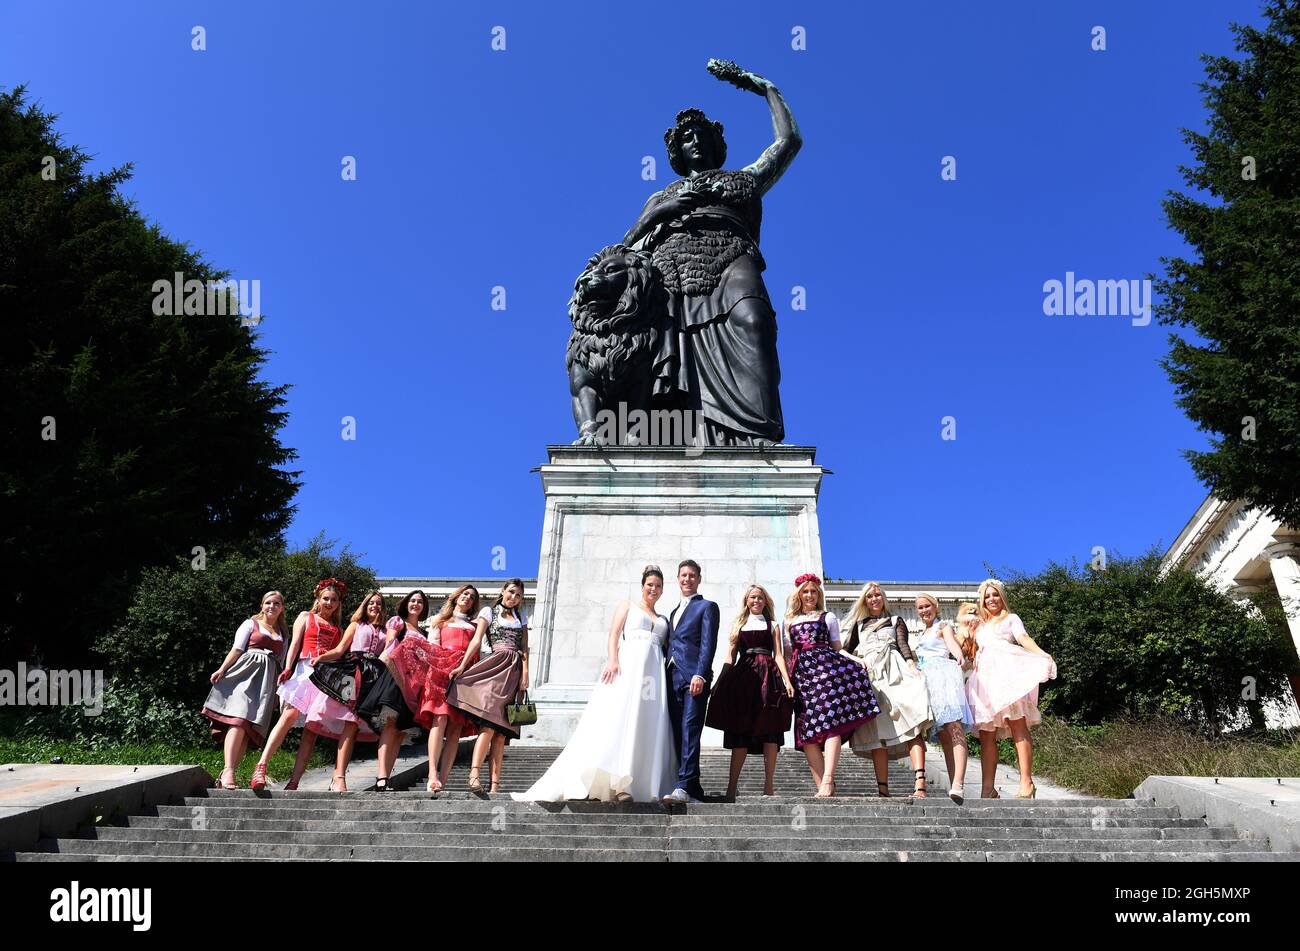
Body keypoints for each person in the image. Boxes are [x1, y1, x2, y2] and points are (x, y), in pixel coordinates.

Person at [622, 61, 801, 446]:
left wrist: (764, 87)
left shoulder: (745, 179)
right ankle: (676, 435)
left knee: (754, 322)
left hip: (731, 256)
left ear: (716, 143)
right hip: (671, 272)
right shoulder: (661, 195)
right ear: (678, 150)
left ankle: (757, 435)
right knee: (669, 352)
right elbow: (627, 250)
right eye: (687, 138)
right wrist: (660, 212)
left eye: (702, 134)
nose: (696, 141)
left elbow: (789, 143)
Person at [513, 566, 677, 803]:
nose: (654, 588)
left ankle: (643, 782)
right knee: (619, 720)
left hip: (653, 674)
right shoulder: (628, 606)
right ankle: (618, 783)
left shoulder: (662, 619)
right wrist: (612, 660)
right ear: (642, 586)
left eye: (658, 586)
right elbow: (613, 634)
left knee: (646, 722)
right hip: (628, 666)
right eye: (650, 584)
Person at [250, 578, 358, 791]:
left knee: (312, 729)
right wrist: (288, 667)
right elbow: (295, 644)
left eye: (333, 600)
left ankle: (294, 782)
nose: (329, 603)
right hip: (305, 669)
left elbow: (338, 655)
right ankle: (261, 766)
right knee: (288, 716)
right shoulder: (305, 617)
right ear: (318, 599)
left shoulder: (339, 628)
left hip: (326, 676)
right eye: (325, 598)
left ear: (338, 603)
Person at [784, 573, 880, 798]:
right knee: (806, 732)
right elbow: (788, 654)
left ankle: (828, 780)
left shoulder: (827, 617)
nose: (810, 595)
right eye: (806, 591)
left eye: (814, 591)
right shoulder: (788, 621)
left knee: (830, 724)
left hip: (826, 671)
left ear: (819, 595)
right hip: (802, 676)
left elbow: (837, 648)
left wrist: (856, 660)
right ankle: (824, 787)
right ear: (799, 594)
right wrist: (788, 680)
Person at [965, 579, 1057, 799]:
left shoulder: (1011, 618)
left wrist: (1042, 654)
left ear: (1002, 596)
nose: (991, 599)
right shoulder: (979, 625)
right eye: (987, 597)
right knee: (987, 734)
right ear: (982, 601)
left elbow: (1023, 638)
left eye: (995, 595)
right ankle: (988, 788)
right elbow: (970, 653)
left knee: (1017, 724)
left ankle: (1027, 782)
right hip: (984, 679)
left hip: (1007, 673)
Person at [842, 582, 934, 798]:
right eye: (870, 596)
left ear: (883, 597)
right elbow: (844, 651)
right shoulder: (858, 625)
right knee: (877, 732)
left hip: (895, 671)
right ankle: (883, 789)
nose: (874, 599)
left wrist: (913, 668)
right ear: (865, 600)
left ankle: (920, 784)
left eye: (877, 595)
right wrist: (858, 661)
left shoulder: (895, 620)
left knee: (911, 722)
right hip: (871, 678)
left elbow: (903, 646)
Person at [704, 584, 794, 797]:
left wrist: (787, 681)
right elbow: (730, 657)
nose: (756, 601)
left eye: (760, 598)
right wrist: (718, 683)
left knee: (771, 730)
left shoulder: (773, 625)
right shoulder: (739, 624)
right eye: (753, 597)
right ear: (747, 600)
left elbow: (779, 655)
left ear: (766, 601)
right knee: (739, 731)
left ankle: (769, 786)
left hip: (768, 677)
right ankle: (731, 788)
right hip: (743, 678)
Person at [447, 579, 529, 794]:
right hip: (496, 665)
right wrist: (463, 666)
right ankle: (474, 774)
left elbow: (524, 647)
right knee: (489, 725)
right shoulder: (488, 612)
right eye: (511, 592)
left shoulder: (521, 617)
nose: (514, 597)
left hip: (515, 671)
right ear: (503, 591)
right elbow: (476, 641)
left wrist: (526, 675)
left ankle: (494, 785)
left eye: (518, 595)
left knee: (502, 732)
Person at [201, 591, 288, 788]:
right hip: (245, 673)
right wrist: (222, 669)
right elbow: (237, 648)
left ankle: (226, 774)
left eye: (276, 603)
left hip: (267, 680)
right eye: (268, 603)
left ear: (282, 608)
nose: (271, 606)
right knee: (238, 719)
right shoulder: (250, 624)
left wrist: (279, 689)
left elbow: (282, 663)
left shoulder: (283, 633)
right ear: (262, 605)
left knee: (248, 727)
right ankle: (229, 770)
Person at [310, 590, 389, 792]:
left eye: (379, 603)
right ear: (365, 605)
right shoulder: (356, 625)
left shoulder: (387, 629)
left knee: (358, 724)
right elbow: (340, 649)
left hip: (374, 677)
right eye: (371, 602)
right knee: (350, 723)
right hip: (353, 674)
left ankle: (338, 777)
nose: (375, 606)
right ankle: (339, 776)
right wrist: (321, 658)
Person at [355, 589, 433, 791]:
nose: (416, 604)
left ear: (424, 607)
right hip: (396, 678)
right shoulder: (398, 622)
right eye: (413, 600)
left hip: (415, 685)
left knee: (400, 731)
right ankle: (381, 777)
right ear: (406, 603)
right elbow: (390, 645)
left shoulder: (426, 634)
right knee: (389, 725)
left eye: (420, 602)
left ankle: (386, 778)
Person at [663, 559, 719, 803]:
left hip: (693, 677)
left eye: (692, 575)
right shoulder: (673, 612)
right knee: (677, 731)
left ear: (699, 579)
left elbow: (708, 644)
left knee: (690, 728)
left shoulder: (707, 606)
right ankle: (693, 788)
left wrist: (700, 674)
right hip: (671, 676)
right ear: (678, 579)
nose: (687, 579)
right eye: (683, 575)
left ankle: (684, 785)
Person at [913, 593, 974, 803]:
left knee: (954, 727)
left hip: (943, 678)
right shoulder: (922, 633)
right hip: (928, 683)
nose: (923, 611)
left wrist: (958, 656)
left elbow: (952, 645)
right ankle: (952, 784)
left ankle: (959, 783)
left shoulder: (943, 626)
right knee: (945, 735)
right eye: (920, 608)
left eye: (927, 606)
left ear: (935, 606)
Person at [419, 585, 482, 790]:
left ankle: (443, 780)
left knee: (456, 727)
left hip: (465, 675)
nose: (467, 599)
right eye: (465, 594)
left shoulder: (474, 626)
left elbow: (477, 654)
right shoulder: (440, 622)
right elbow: (432, 649)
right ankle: (432, 774)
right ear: (456, 597)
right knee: (440, 719)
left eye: (472, 597)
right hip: (441, 674)